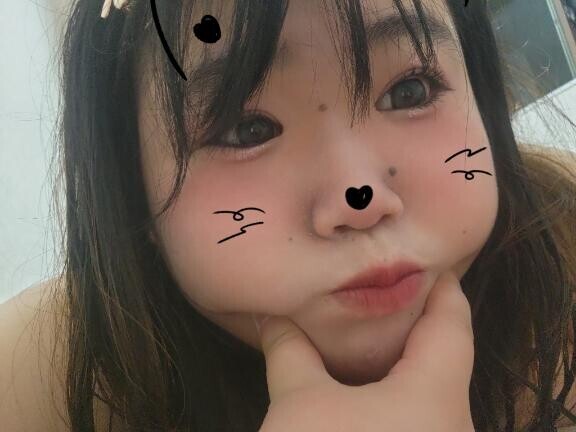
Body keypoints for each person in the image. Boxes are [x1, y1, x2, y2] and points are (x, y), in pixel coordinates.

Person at [1, 0, 576, 431]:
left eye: (411, 90)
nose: (359, 199)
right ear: (133, 199)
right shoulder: (36, 382)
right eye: (247, 128)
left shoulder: (566, 236)